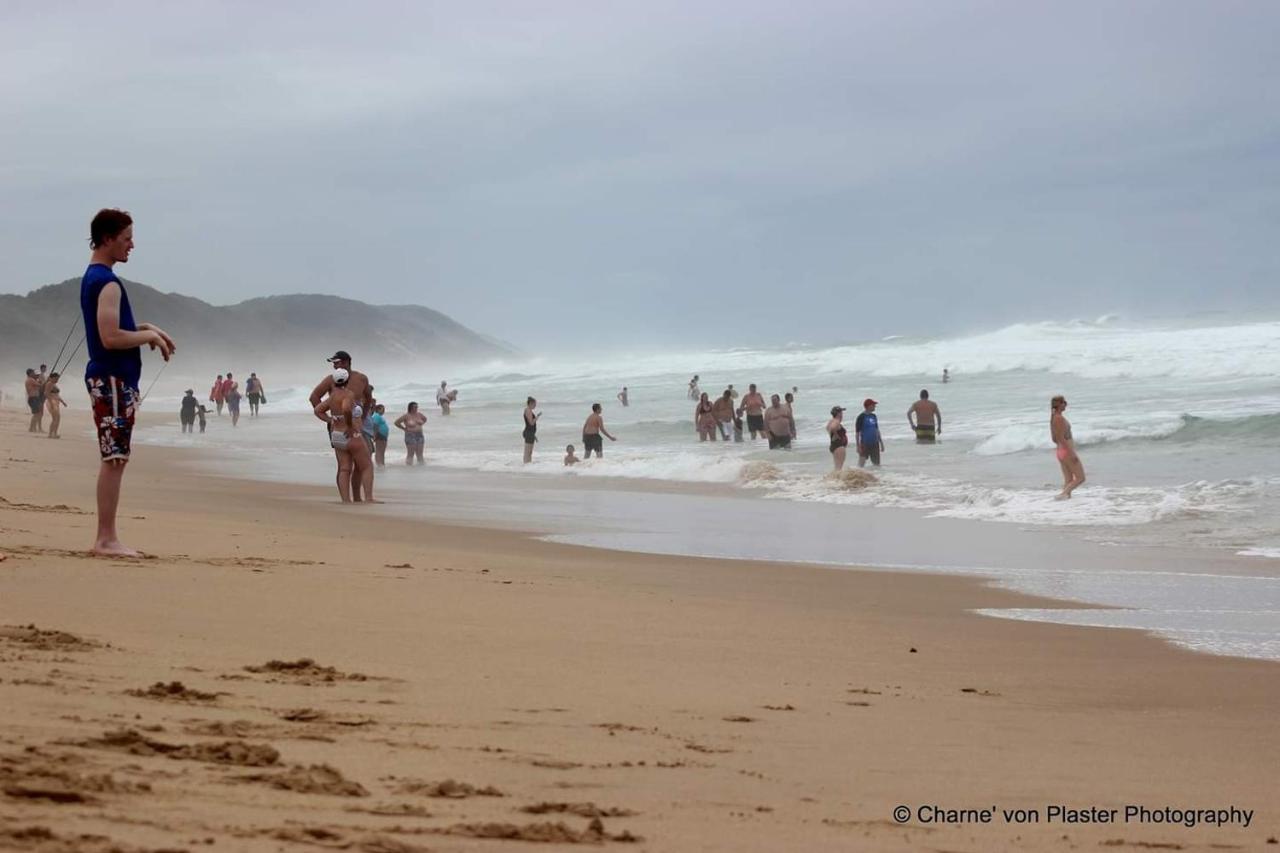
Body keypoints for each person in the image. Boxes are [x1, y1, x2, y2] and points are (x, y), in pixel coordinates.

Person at [81, 208, 175, 556]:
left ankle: (106, 537)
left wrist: (147, 329)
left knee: (115, 457)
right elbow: (108, 337)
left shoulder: (95, 278)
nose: (131, 245)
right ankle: (106, 539)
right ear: (107, 239)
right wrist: (147, 334)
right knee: (115, 458)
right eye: (126, 239)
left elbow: (113, 329)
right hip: (112, 378)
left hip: (111, 378)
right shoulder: (106, 282)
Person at [309, 351, 373, 499]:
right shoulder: (331, 380)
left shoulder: (361, 379)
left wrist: (363, 418)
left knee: (360, 464)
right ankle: (347, 498)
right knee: (346, 466)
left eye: (336, 362)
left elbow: (368, 399)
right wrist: (331, 419)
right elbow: (314, 397)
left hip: (358, 425)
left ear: (346, 362)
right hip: (341, 427)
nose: (334, 365)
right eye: (333, 363)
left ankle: (356, 497)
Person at [1051, 395, 1086, 500]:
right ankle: (1063, 494)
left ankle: (1066, 503)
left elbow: (1054, 439)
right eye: (1064, 402)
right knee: (1081, 478)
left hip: (1061, 451)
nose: (1066, 404)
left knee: (1069, 479)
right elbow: (1060, 438)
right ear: (1060, 404)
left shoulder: (1054, 417)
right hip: (1066, 451)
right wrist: (1071, 453)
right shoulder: (1059, 418)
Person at [394, 401, 427, 465]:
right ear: (411, 407)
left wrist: (420, 424)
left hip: (420, 435)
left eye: (417, 407)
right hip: (410, 435)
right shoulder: (406, 416)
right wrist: (404, 428)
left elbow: (425, 419)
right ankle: (409, 468)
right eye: (415, 407)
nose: (416, 408)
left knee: (420, 454)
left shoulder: (419, 414)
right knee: (410, 454)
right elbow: (396, 422)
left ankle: (421, 468)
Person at [855, 398, 883, 467]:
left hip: (875, 443)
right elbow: (857, 433)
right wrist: (858, 446)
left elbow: (877, 430)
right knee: (861, 464)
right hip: (865, 443)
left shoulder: (874, 416)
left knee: (877, 464)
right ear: (869, 406)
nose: (874, 406)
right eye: (873, 405)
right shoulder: (861, 417)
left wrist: (881, 443)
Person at [44, 372, 66, 439]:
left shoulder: (53, 384)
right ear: (52, 378)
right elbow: (46, 393)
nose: (57, 380)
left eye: (58, 378)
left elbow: (57, 395)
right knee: (55, 418)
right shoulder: (49, 383)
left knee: (57, 418)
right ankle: (51, 434)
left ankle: (55, 433)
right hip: (52, 402)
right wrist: (51, 403)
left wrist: (62, 402)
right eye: (56, 378)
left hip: (56, 402)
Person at [827, 406, 848, 470]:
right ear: (838, 413)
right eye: (841, 412)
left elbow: (828, 428)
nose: (842, 414)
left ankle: (834, 479)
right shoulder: (836, 421)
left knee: (837, 466)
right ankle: (837, 479)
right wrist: (837, 436)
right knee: (839, 467)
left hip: (834, 445)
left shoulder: (831, 421)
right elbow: (833, 428)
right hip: (839, 446)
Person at [25, 369, 42, 433]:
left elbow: (37, 387)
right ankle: (31, 428)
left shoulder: (30, 380)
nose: (34, 374)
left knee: (37, 414)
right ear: (30, 373)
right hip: (33, 398)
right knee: (36, 414)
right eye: (33, 373)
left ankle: (33, 428)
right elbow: (41, 385)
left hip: (33, 398)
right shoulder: (31, 380)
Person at [522, 397, 539, 463]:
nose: (535, 406)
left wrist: (534, 435)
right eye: (534, 404)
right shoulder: (528, 410)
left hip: (530, 433)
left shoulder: (529, 410)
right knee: (527, 453)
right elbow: (531, 423)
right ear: (531, 403)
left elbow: (531, 426)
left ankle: (528, 466)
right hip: (528, 432)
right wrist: (537, 417)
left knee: (529, 452)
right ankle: (525, 466)